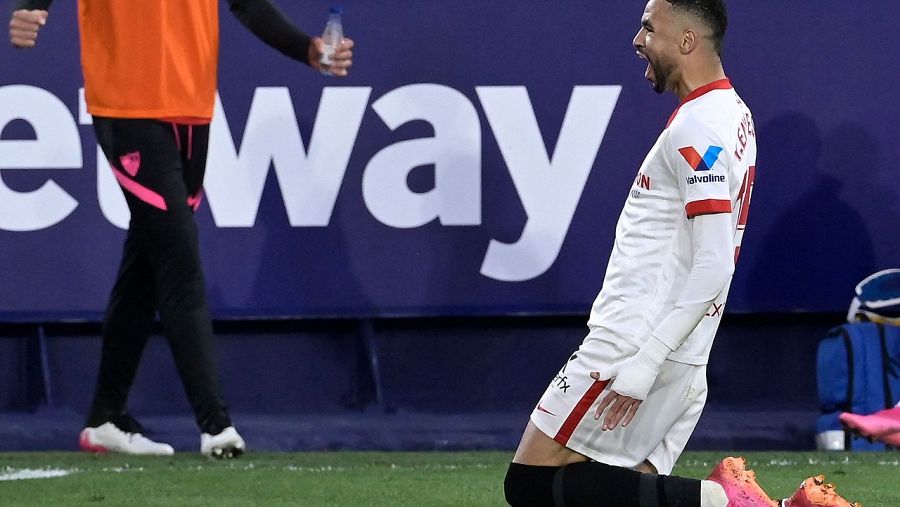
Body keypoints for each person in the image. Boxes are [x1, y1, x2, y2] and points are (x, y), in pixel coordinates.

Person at [501, 1, 852, 505]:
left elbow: (714, 262)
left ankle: (733, 502)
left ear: (686, 41)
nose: (636, 40)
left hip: (636, 343)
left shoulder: (698, 130)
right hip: (680, 347)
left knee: (530, 484)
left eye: (648, 28)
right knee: (624, 490)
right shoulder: (732, 114)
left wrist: (645, 361)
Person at [9, 0, 354, 458]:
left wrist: (304, 49)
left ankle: (105, 417)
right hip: (127, 105)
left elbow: (245, 3)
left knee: (148, 264)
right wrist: (30, 6)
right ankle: (216, 425)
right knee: (179, 258)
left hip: (192, 108)